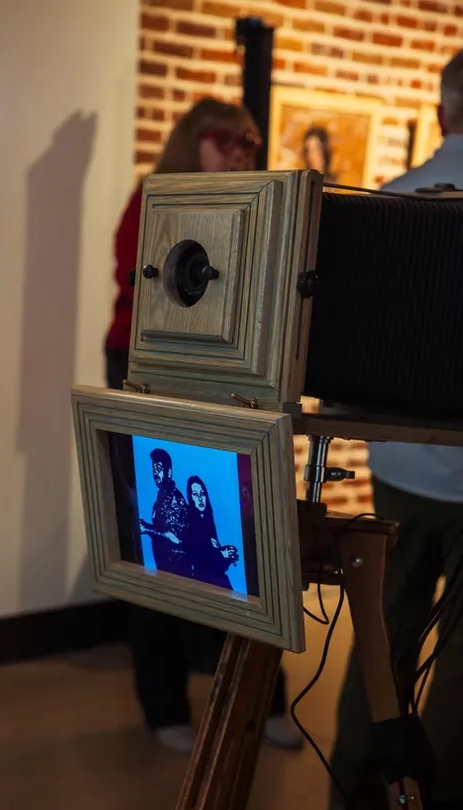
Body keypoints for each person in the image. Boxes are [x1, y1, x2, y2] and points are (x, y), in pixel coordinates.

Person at [105, 97, 303, 754]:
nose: (243, 148)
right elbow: (146, 286)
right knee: (154, 543)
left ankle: (258, 701)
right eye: (226, 139)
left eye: (250, 139)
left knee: (248, 533)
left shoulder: (256, 202)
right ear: (192, 141)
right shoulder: (155, 200)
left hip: (230, 372)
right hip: (151, 366)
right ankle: (165, 708)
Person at [328, 50, 463, 810]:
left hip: (400, 474)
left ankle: (351, 791)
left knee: (380, 653)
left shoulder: (388, 202)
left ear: (443, 111)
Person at [140, 449, 190, 578]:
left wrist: (147, 528)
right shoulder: (162, 497)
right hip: (165, 568)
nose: (156, 473)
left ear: (169, 471)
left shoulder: (174, 497)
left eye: (159, 468)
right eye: (154, 469)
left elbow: (176, 536)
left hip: (177, 570)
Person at [186, 475, 239, 590]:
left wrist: (227, 554)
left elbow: (214, 560)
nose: (200, 498)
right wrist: (222, 554)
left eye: (202, 493)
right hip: (202, 582)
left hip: (214, 578)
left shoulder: (208, 520)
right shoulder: (191, 525)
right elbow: (201, 561)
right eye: (195, 494)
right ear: (190, 497)